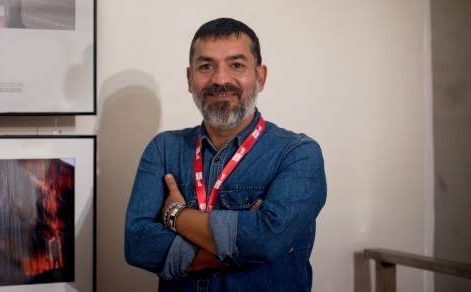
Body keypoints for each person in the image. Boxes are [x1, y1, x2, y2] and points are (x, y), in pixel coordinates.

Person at [124, 18, 327, 291]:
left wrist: (175, 214)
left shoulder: (298, 153)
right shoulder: (163, 149)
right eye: (206, 66)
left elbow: (267, 240)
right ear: (189, 78)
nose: (220, 79)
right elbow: (137, 245)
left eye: (237, 65)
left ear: (261, 76)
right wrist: (247, 243)